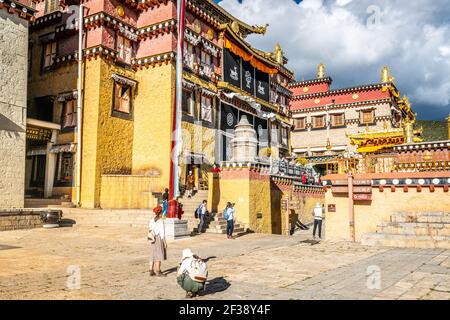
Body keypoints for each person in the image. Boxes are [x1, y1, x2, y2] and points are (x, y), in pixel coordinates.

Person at [149, 206, 167, 277]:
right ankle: (158, 271)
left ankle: (151, 270)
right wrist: (165, 242)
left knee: (152, 253)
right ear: (160, 212)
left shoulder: (151, 220)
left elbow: (149, 229)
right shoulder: (160, 221)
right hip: (158, 238)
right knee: (159, 254)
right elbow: (162, 233)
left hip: (152, 238)